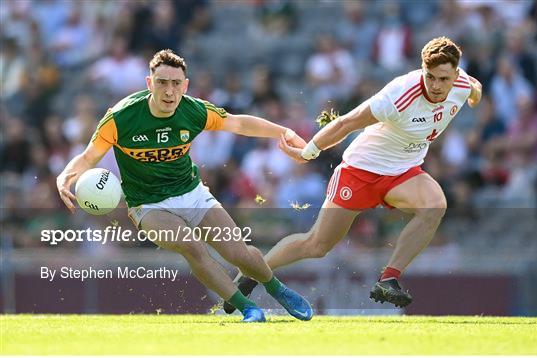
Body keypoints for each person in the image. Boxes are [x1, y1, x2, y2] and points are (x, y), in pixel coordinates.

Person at [225, 37, 482, 313]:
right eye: (429, 77)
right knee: (317, 244)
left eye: (443, 79)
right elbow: (347, 122)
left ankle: (389, 278)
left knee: (435, 205)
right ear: (422, 69)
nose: (435, 86)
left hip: (403, 172)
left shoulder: (462, 85)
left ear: (456, 74)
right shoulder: (399, 95)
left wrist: (474, 97)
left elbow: (475, 89)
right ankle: (253, 272)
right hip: (361, 170)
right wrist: (309, 152)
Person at [56, 49, 313, 322]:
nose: (169, 91)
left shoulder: (194, 110)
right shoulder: (121, 117)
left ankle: (277, 288)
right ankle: (248, 308)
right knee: (192, 247)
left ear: (185, 85)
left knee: (238, 253)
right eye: (162, 83)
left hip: (191, 193)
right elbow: (88, 157)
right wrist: (65, 176)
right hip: (148, 204)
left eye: (176, 84)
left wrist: (284, 131)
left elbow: (238, 123)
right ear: (149, 83)